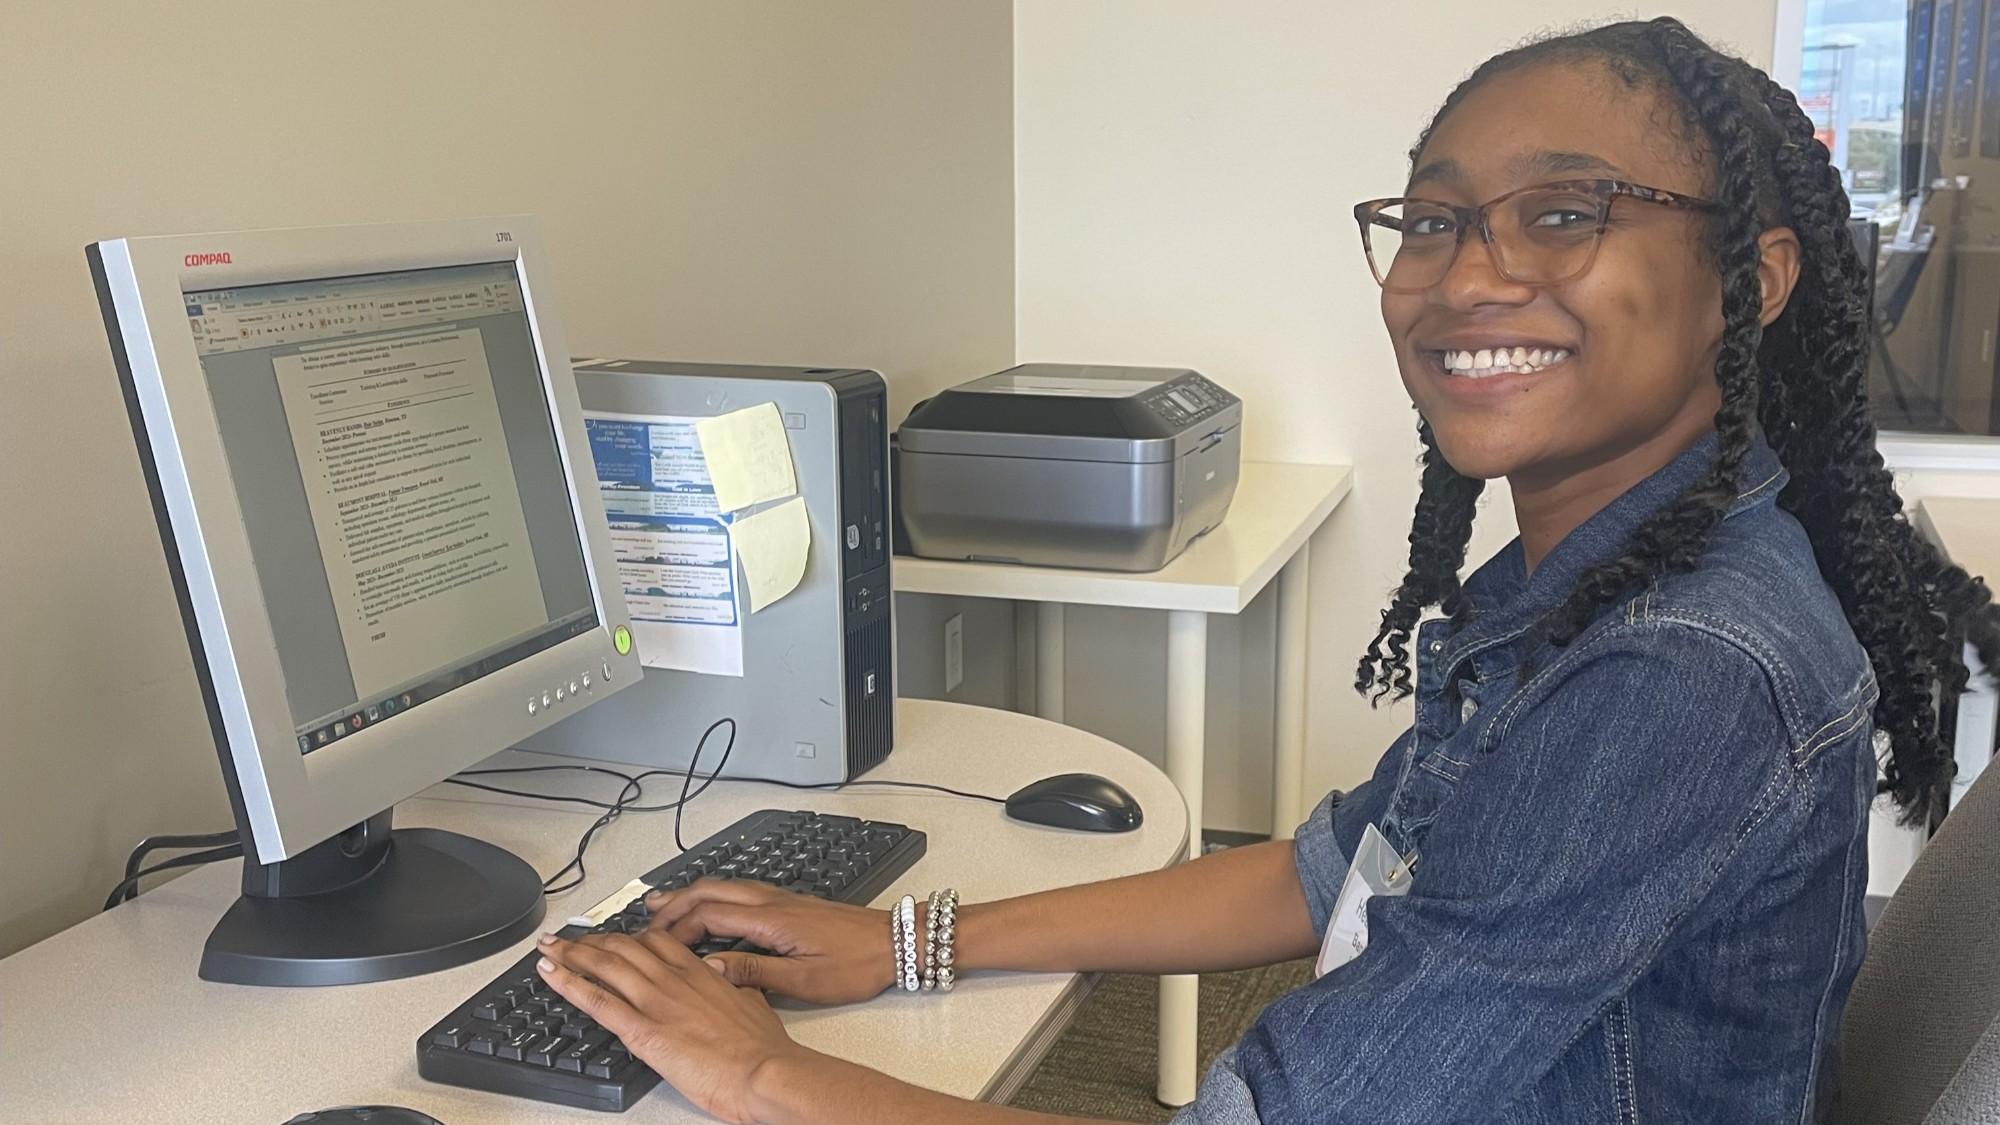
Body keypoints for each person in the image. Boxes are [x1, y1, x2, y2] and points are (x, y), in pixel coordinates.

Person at [532, 18, 2000, 1123]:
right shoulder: (1608, 579)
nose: (1470, 271)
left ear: (1754, 277)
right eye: (1432, 217)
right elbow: (1341, 862)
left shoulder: (1680, 670)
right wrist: (905, 942)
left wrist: (758, 1072)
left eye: (1567, 210)